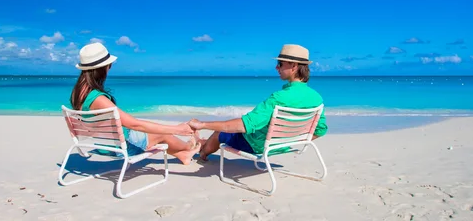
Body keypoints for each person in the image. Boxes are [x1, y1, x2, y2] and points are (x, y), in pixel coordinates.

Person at [189, 44, 327, 160]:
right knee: (232, 129)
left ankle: (202, 153)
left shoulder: (279, 98)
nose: (277, 68)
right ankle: (201, 143)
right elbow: (321, 130)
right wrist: (289, 140)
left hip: (257, 146)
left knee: (219, 133)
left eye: (280, 64)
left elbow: (245, 125)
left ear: (294, 66)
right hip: (281, 145)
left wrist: (203, 124)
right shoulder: (317, 98)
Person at [70, 42, 200, 165]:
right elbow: (134, 124)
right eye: (109, 65)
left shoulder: (77, 93)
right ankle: (189, 146)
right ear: (103, 68)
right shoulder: (98, 99)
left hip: (101, 142)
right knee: (162, 133)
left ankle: (183, 155)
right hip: (119, 148)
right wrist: (178, 129)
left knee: (149, 130)